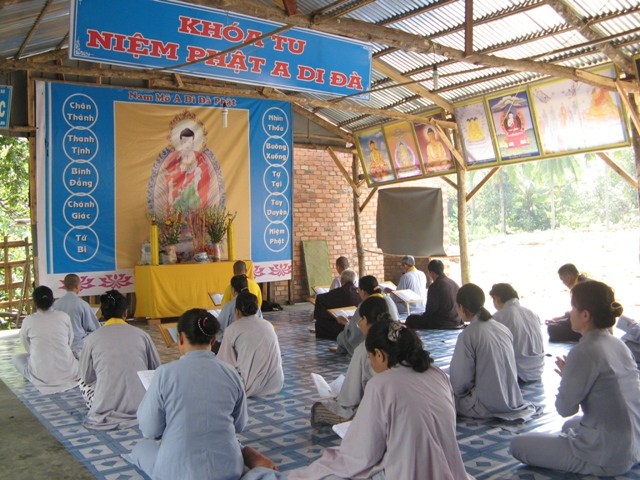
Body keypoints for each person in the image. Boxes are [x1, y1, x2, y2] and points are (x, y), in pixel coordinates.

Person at [288, 319, 470, 479]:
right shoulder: (438, 374)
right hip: (448, 469)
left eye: (370, 358)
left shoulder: (381, 385)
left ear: (379, 354)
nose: (372, 364)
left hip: (406, 472)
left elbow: (363, 454)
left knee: (328, 470)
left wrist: (332, 461)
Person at [125, 308, 278, 480]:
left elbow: (150, 429)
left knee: (142, 448)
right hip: (228, 469)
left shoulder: (165, 373)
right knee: (232, 443)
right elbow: (239, 425)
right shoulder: (231, 373)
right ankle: (247, 457)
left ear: (180, 338)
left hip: (179, 473)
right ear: (212, 340)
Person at [510, 281, 640, 476]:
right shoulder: (617, 344)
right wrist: (571, 376)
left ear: (585, 315)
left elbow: (565, 409)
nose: (570, 313)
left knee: (518, 444)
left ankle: (591, 460)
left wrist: (566, 379)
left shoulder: (584, 351)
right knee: (570, 426)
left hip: (608, 457)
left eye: (572, 308)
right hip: (634, 444)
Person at [450, 283, 537, 421]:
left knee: (442, 395)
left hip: (485, 405)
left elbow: (460, 383)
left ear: (461, 307)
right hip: (512, 398)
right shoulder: (502, 328)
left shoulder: (468, 334)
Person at [78, 290, 161, 430]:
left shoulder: (91, 339)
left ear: (102, 313)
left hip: (105, 406)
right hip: (142, 405)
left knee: (81, 382)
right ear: (125, 312)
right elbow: (156, 370)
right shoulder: (142, 335)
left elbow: (87, 377)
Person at [312, 296, 391, 427]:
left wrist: (339, 399)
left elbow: (349, 399)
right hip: (406, 407)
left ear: (365, 319)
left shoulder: (365, 349)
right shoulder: (401, 339)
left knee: (320, 408)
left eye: (360, 320)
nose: (359, 324)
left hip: (380, 412)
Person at [12, 285, 79, 394]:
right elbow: (69, 340)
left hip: (41, 375)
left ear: (34, 303)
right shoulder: (64, 316)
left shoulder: (28, 321)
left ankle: (34, 373)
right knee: (77, 353)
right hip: (69, 372)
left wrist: (35, 354)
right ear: (53, 300)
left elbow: (25, 343)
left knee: (17, 358)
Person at [218, 291, 283, 397]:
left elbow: (225, 363)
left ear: (237, 311)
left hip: (249, 387)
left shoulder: (232, 329)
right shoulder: (268, 325)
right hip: (275, 384)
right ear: (257, 309)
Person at [490, 283, 544, 382]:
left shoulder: (499, 317)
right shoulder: (532, 313)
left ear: (497, 298)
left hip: (518, 372)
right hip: (538, 370)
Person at [334, 275, 398, 355]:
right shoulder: (389, 299)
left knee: (341, 337)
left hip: (375, 340)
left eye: (358, 290)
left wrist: (346, 323)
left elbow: (354, 332)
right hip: (392, 338)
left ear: (363, 291)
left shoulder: (366, 304)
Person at [53, 273, 101, 358]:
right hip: (79, 347)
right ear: (77, 286)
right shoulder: (82, 304)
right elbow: (94, 327)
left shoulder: (55, 305)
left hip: (61, 346)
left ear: (65, 286)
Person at [405, 259, 463, 329]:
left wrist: (422, 317)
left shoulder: (435, 286)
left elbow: (430, 310)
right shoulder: (453, 283)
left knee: (410, 319)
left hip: (443, 322)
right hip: (457, 320)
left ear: (431, 272)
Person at [214, 274, 262, 354]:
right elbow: (260, 321)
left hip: (233, 346)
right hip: (255, 344)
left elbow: (219, 327)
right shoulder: (256, 305)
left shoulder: (229, 306)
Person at [313, 269, 361, 340]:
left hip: (337, 327)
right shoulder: (360, 293)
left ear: (342, 280)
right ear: (355, 281)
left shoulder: (335, 293)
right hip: (356, 326)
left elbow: (320, 299)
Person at [547, 263, 588, 342]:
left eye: (562, 280)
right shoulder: (584, 283)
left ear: (568, 277)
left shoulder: (580, 288)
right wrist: (562, 318)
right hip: (591, 322)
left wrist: (559, 321)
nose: (563, 283)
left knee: (552, 328)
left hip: (589, 326)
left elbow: (581, 314)